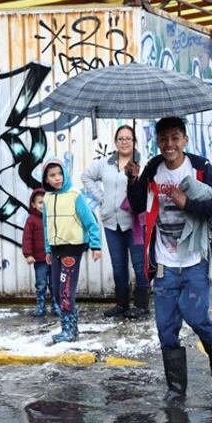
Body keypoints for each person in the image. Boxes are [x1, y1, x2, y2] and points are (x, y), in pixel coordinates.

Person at [126, 116, 212, 401]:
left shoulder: (199, 167)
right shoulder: (152, 169)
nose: (169, 144)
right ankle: (176, 389)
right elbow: (137, 205)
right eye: (163, 139)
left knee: (197, 317)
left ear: (185, 139)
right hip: (164, 263)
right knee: (166, 328)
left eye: (175, 138)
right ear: (157, 141)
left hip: (194, 258)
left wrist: (188, 204)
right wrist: (133, 180)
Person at [81, 125, 150, 319]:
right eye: (121, 138)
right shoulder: (105, 163)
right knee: (118, 265)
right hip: (111, 222)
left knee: (139, 264)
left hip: (134, 223)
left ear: (134, 141)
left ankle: (142, 304)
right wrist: (101, 198)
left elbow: (149, 189)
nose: (125, 142)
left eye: (128, 138)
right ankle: (122, 303)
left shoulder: (142, 163)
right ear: (115, 141)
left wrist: (136, 179)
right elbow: (86, 176)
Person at [41, 158, 101, 344]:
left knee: (66, 290)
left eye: (60, 174)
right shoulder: (47, 198)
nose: (57, 178)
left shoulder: (75, 195)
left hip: (72, 249)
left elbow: (91, 222)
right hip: (56, 249)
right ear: (46, 179)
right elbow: (46, 225)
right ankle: (70, 326)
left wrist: (95, 246)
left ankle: (68, 330)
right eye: (52, 175)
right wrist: (48, 249)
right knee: (58, 291)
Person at [22, 188, 58, 318]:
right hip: (39, 259)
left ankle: (56, 305)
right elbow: (27, 238)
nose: (44, 206)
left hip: (54, 258)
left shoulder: (53, 217)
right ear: (33, 204)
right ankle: (41, 306)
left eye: (46, 202)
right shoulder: (31, 220)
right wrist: (28, 254)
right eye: (40, 203)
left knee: (55, 283)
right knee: (41, 283)